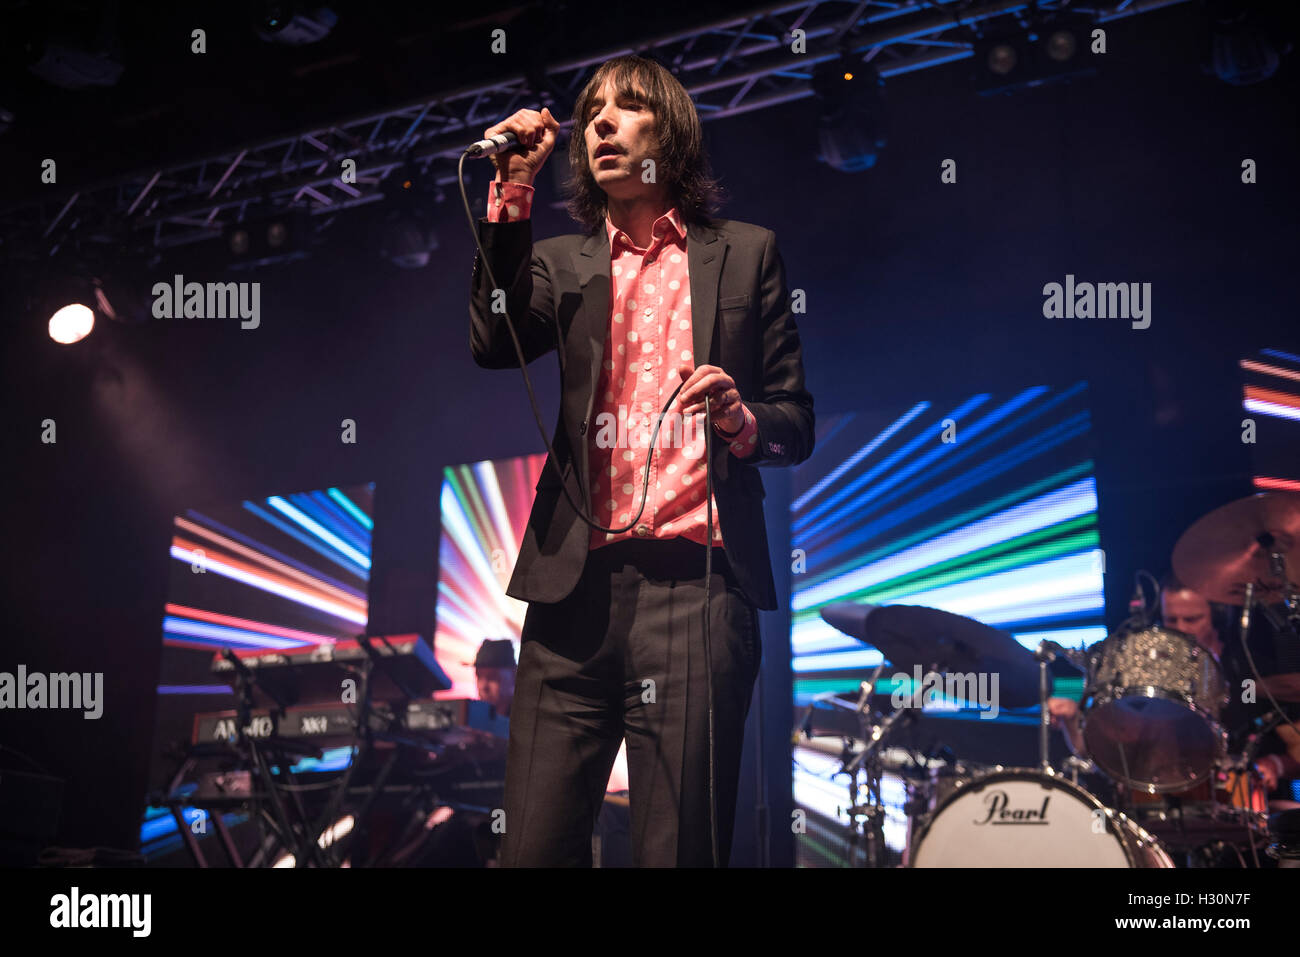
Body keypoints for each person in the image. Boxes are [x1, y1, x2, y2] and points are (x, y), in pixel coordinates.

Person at [468, 53, 815, 866]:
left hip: (696, 595)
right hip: (571, 594)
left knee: (678, 851)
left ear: (672, 133)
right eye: (591, 114)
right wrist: (512, 191)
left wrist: (739, 417)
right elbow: (494, 338)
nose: (600, 125)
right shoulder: (561, 260)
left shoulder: (747, 252)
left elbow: (794, 422)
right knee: (531, 851)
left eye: (625, 109)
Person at [1049, 574, 1300, 795]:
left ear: (1218, 617)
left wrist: (1276, 765)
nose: (1181, 629)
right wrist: (1072, 722)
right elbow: (1106, 754)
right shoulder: (1149, 673)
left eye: (1191, 619)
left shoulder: (1247, 671)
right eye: (1172, 620)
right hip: (1160, 808)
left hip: (1241, 810)